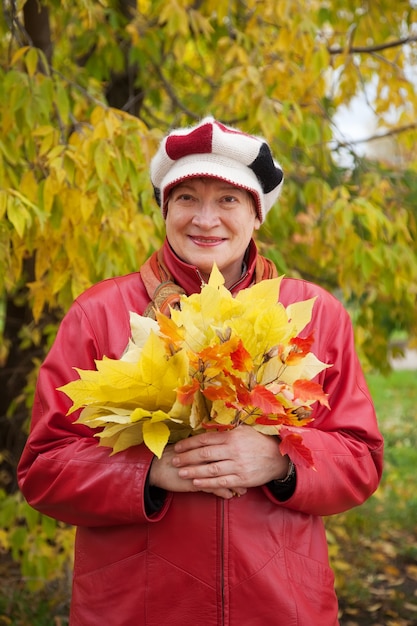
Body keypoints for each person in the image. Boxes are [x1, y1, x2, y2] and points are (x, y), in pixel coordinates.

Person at [17, 116, 384, 626]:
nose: (205, 219)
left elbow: (361, 458)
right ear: (165, 209)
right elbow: (44, 468)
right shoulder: (98, 313)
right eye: (186, 197)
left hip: (281, 608)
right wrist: (149, 472)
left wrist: (281, 461)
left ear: (257, 214)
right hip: (137, 609)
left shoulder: (315, 314)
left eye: (228, 199)